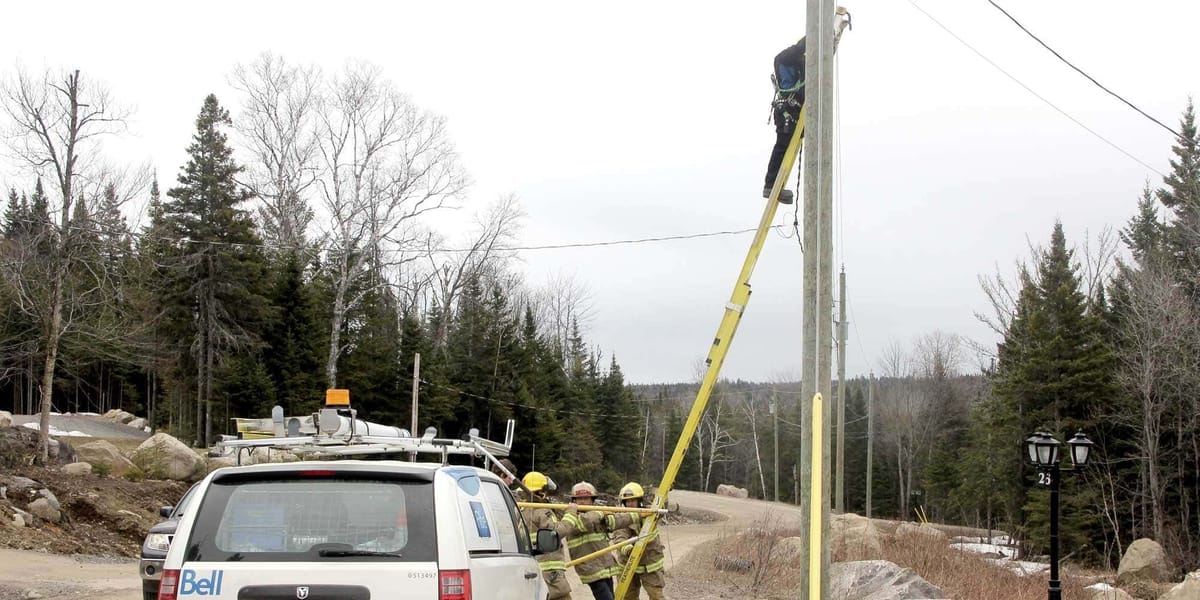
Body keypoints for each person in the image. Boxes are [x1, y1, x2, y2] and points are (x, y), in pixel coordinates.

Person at [562, 482, 638, 600]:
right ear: (574, 501)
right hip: (590, 568)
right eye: (579, 499)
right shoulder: (571, 518)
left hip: (605, 566)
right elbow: (584, 523)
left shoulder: (598, 516)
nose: (582, 501)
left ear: (592, 500)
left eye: (586, 498)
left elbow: (618, 520)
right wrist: (600, 512)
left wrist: (639, 515)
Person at [762, 37, 806, 205]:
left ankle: (774, 184)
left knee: (785, 146)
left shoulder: (799, 64)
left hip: (795, 112)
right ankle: (771, 184)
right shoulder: (785, 57)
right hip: (788, 112)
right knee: (782, 146)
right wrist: (817, 35)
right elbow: (800, 48)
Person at [520, 471, 577, 600]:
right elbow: (557, 532)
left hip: (533, 569)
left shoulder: (521, 510)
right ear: (540, 492)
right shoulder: (541, 511)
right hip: (550, 570)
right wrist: (571, 513)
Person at [611, 482, 666, 600]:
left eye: (633, 500)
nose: (630, 504)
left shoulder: (650, 514)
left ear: (639, 501)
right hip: (627, 565)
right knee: (627, 597)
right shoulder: (621, 518)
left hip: (650, 565)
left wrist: (664, 492)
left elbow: (660, 507)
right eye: (627, 501)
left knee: (656, 596)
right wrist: (628, 550)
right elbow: (620, 538)